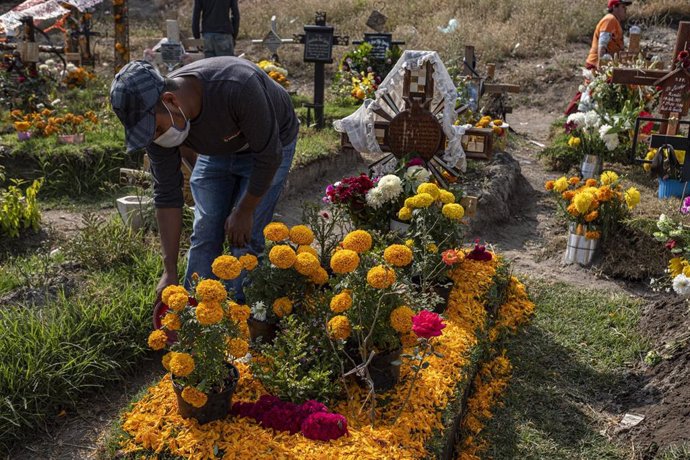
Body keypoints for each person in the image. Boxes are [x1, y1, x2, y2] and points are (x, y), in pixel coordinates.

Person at [110, 57, 299, 299]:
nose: (155, 138)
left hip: (272, 145)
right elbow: (167, 195)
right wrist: (169, 272)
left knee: (245, 239)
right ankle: (196, 312)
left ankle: (242, 317)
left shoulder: (237, 85)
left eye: (156, 129)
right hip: (219, 147)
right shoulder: (157, 129)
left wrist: (244, 210)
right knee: (206, 229)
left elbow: (269, 156)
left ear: (169, 100)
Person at [565, 0, 632, 115]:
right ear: (614, 7)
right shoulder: (609, 19)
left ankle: (572, 121)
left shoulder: (613, 21)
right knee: (589, 94)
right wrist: (601, 65)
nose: (625, 9)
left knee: (590, 94)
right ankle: (571, 121)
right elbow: (602, 44)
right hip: (598, 64)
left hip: (604, 64)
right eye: (623, 6)